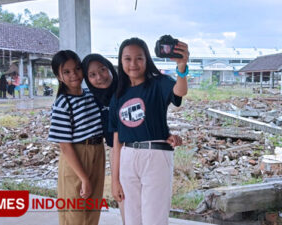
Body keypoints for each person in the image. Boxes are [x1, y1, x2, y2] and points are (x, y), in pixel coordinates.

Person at [81, 53, 183, 224]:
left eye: (103, 70)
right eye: (92, 75)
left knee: (152, 213)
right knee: (129, 215)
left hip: (141, 150)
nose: (99, 77)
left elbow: (148, 112)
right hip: (119, 152)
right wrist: (114, 180)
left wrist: (165, 135)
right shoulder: (90, 99)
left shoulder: (125, 87)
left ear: (111, 67)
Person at [109, 37, 189, 225]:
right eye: (127, 59)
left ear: (147, 60)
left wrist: (182, 66)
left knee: (155, 219)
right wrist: (115, 180)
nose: (133, 64)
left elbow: (180, 92)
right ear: (121, 61)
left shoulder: (159, 83)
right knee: (131, 219)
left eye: (139, 58)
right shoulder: (118, 95)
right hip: (127, 157)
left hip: (155, 156)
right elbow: (116, 140)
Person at [48, 50, 106, 225]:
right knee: (75, 213)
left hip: (98, 151)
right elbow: (65, 146)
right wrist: (84, 178)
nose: (74, 75)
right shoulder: (63, 103)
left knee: (92, 209)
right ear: (58, 76)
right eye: (66, 72)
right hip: (77, 156)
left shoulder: (91, 95)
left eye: (77, 69)